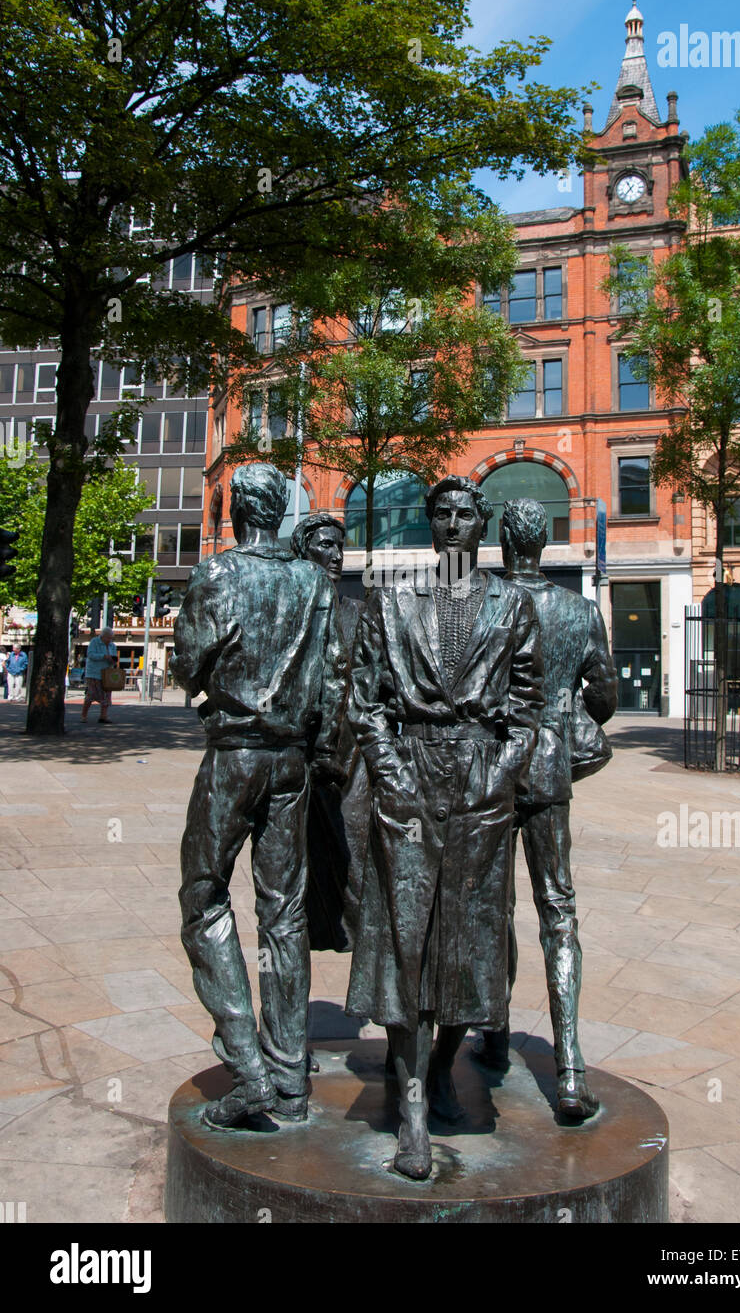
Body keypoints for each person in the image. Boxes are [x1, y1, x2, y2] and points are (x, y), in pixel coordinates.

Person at [345, 475, 544, 1179]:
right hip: (412, 771)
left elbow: (528, 706)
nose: (454, 523)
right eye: (443, 513)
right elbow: (364, 701)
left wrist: (502, 769)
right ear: (429, 524)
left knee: (469, 940)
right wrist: (391, 771)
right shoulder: (393, 598)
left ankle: (438, 1066)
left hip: (480, 780)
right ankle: (411, 1106)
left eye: (466, 513)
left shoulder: (513, 604)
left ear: (482, 525)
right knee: (406, 935)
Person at [171, 464, 349, 1129]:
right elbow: (332, 680)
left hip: (234, 756)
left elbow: (188, 663)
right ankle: (288, 1075)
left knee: (203, 894)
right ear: (280, 514)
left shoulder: (218, 573)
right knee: (285, 914)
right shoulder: (312, 579)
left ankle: (247, 1068)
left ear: (240, 511)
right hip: (293, 764)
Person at [472, 497, 617, 1120]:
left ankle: (495, 1037)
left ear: (505, 544)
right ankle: (569, 1068)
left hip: (495, 770)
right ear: (548, 544)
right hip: (552, 766)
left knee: (492, 904)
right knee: (558, 910)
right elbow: (605, 695)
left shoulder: (488, 602)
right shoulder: (580, 611)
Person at [290, 513, 367, 955]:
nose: (337, 556)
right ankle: (312, 933)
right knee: (299, 861)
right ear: (304, 551)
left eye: (341, 547)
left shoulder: (357, 613)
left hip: (350, 756)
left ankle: (358, 938)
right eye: (325, 545)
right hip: (297, 754)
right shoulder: (288, 614)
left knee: (355, 852)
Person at [82, 628, 118, 724]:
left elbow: (114, 656)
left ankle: (103, 716)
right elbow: (90, 655)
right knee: (91, 694)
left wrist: (112, 660)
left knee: (106, 695)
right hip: (94, 673)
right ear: (103, 636)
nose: (109, 640)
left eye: (111, 638)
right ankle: (84, 715)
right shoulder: (94, 642)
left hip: (106, 673)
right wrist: (103, 656)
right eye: (108, 638)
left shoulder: (112, 645)